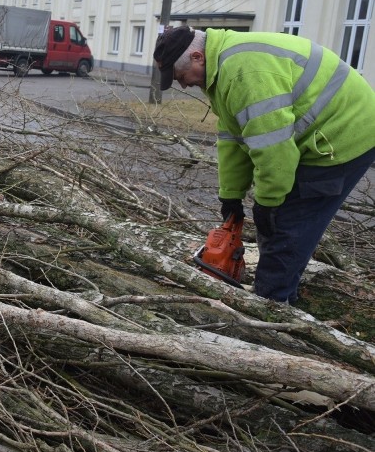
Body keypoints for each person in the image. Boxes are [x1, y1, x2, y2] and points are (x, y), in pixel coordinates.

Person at [153, 25, 375, 303]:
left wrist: (268, 204)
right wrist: (231, 196)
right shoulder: (221, 70)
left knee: (286, 223)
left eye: (180, 76)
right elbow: (233, 139)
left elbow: (273, 150)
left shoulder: (245, 73)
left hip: (344, 134)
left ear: (198, 56)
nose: (183, 84)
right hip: (320, 130)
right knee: (279, 218)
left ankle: (275, 307)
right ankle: (278, 292)